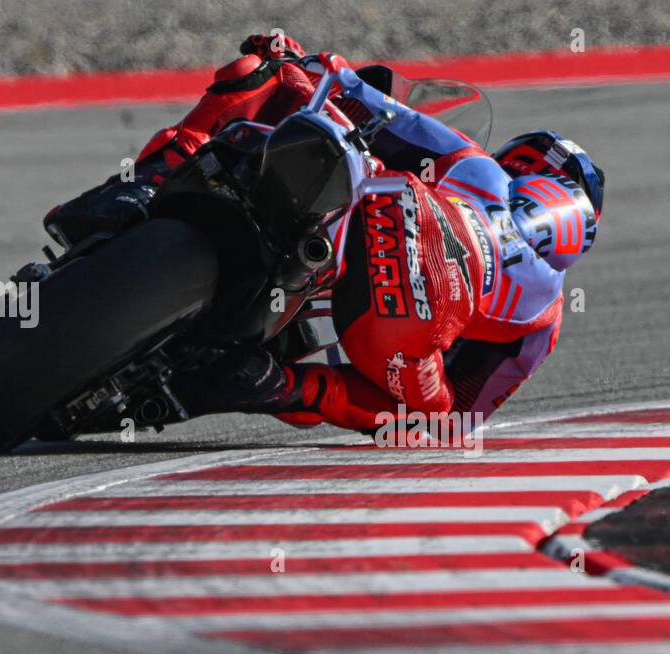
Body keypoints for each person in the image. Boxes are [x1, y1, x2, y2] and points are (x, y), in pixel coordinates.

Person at [43, 33, 604, 437]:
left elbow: (377, 108)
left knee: (255, 74)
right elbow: (458, 419)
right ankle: (274, 381)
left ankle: (141, 188)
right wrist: (305, 390)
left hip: (386, 219)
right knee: (435, 418)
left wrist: (301, 62)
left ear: (525, 165)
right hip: (399, 329)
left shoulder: (477, 167)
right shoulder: (543, 317)